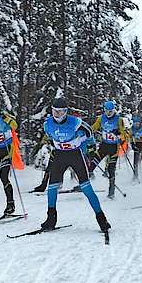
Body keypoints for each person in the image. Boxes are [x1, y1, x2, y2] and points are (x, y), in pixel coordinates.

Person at [41, 96, 111, 232]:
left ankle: (102, 219)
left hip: (75, 155)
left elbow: (89, 132)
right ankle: (51, 219)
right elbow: (49, 136)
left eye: (60, 111)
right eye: (54, 110)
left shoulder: (75, 122)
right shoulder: (47, 124)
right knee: (52, 187)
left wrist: (89, 146)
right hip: (60, 155)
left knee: (86, 187)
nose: (57, 114)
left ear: (66, 111)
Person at [91, 100, 130, 199]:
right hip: (104, 145)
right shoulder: (101, 118)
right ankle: (84, 185)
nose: (108, 113)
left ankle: (111, 192)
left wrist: (119, 133)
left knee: (111, 169)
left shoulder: (119, 119)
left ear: (114, 111)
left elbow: (125, 134)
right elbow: (94, 128)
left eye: (110, 111)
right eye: (107, 111)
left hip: (114, 147)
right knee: (92, 164)